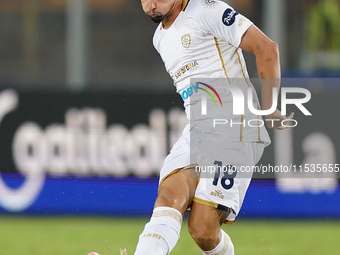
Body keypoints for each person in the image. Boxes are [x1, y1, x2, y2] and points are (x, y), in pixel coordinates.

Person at [131, 1, 294, 255]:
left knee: (202, 228)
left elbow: (266, 47)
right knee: (168, 199)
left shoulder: (207, 9)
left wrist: (269, 106)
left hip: (236, 128)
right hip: (197, 130)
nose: (151, 5)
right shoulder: (159, 38)